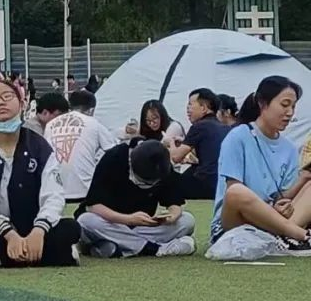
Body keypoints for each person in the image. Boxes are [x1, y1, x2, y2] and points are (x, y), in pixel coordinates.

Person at [0, 79, 80, 269]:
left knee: (71, 228)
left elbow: (53, 195)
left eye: (7, 96)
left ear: (22, 103)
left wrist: (39, 230)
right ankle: (49, 255)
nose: (1, 103)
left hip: (31, 226)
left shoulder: (38, 145)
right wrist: (9, 234)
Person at [209, 76, 311, 253]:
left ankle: (285, 239)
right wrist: (271, 210)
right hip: (235, 222)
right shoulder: (238, 137)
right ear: (263, 104)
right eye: (284, 105)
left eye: (293, 106)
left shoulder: (289, 148)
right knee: (236, 191)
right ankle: (301, 235)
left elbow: (282, 197)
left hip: (272, 222)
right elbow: (234, 195)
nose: (290, 112)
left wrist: (301, 182)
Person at [76, 139, 196, 258]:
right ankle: (154, 249)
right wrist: (129, 219)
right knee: (86, 220)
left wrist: (171, 217)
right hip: (111, 222)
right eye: (143, 181)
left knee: (187, 221)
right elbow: (93, 206)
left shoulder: (162, 164)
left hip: (142, 227)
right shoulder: (114, 157)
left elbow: (175, 204)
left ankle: (117, 246)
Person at [43, 88, 118, 201]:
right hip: (85, 193)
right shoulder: (94, 124)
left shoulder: (50, 125)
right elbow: (115, 151)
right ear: (91, 110)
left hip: (53, 192)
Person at [169, 87, 229, 199]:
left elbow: (175, 157)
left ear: (204, 108)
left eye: (190, 105)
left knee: (167, 179)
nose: (187, 109)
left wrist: (171, 142)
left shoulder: (199, 126)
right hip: (222, 184)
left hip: (204, 184)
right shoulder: (224, 127)